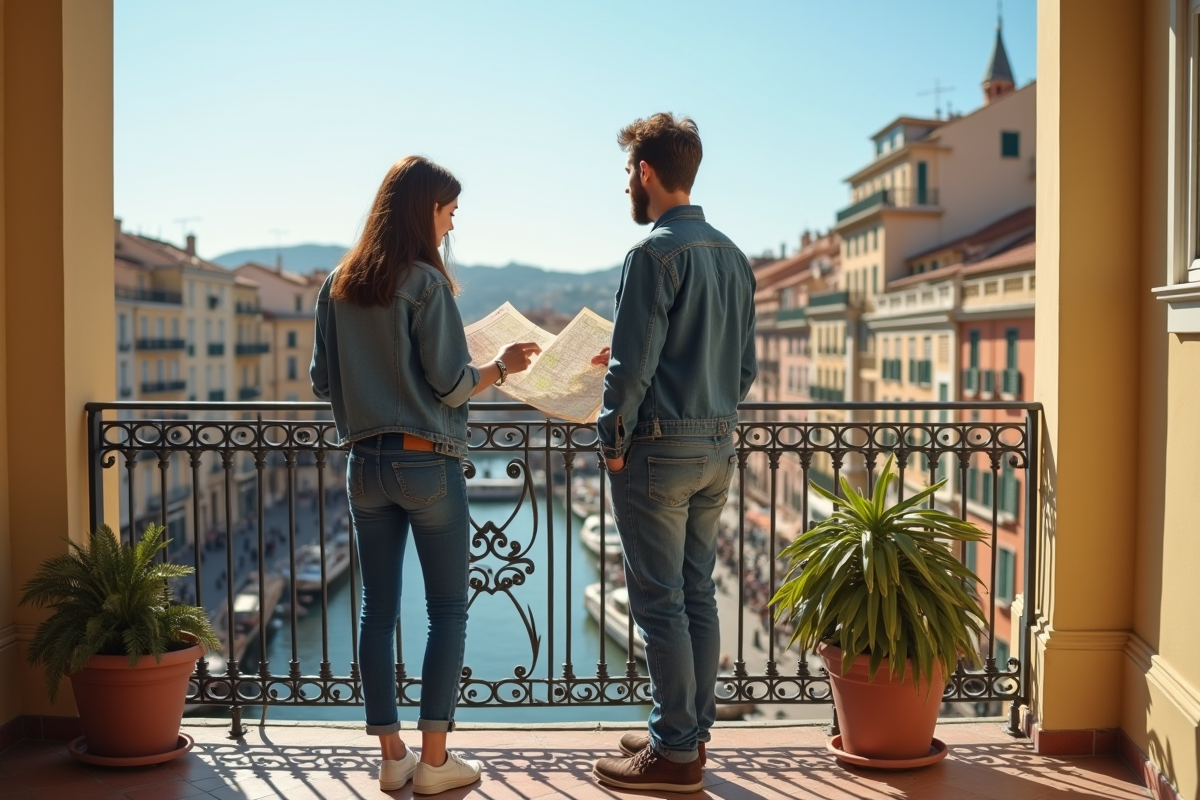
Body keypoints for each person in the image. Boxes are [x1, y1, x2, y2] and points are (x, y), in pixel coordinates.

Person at [310, 155, 540, 795]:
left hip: (364, 465)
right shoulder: (427, 285)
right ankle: (435, 760)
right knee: (447, 611)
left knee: (376, 610)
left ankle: (393, 756)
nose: (452, 224)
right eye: (449, 212)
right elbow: (451, 384)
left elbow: (323, 381)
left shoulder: (336, 284)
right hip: (427, 464)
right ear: (424, 210)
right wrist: (500, 366)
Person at [589, 114, 757, 793]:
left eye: (628, 171)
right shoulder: (734, 256)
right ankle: (687, 730)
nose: (627, 184)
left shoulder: (651, 255)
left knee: (659, 603)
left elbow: (630, 370)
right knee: (697, 594)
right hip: (716, 444)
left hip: (657, 451)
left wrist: (611, 441)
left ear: (646, 172)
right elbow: (742, 369)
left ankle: (674, 755)